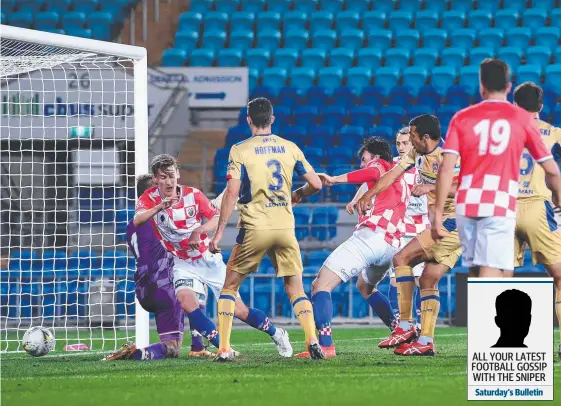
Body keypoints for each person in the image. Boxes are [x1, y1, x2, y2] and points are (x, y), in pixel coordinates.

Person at [134, 154, 292, 358]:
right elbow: (138, 220)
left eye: (172, 175)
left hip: (207, 259)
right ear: (155, 179)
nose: (169, 181)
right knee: (185, 301)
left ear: (178, 174)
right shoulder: (149, 198)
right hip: (183, 262)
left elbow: (215, 218)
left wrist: (198, 231)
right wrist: (158, 207)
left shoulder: (193, 195)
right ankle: (224, 348)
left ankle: (277, 333)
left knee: (240, 311)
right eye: (163, 177)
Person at [209, 97, 325, 361]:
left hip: (255, 227)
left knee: (229, 288)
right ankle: (311, 339)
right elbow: (316, 184)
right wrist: (299, 193)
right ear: (272, 119)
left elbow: (232, 192)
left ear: (248, 119)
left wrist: (218, 232)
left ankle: (224, 347)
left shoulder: (240, 150)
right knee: (296, 288)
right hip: (285, 226)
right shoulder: (290, 147)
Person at [433, 59, 561, 279]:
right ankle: (494, 313)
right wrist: (558, 202)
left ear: (481, 86)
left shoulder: (461, 118)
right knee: (494, 272)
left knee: (478, 271)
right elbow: (551, 170)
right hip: (500, 201)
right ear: (508, 87)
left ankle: (488, 311)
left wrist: (437, 215)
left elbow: (445, 170)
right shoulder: (521, 119)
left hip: (466, 203)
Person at [356, 115, 460, 356]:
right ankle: (425, 341)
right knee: (427, 280)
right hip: (443, 224)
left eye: (412, 135)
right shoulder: (417, 154)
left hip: (455, 222)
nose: (408, 139)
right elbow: (391, 175)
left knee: (401, 259)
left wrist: (431, 187)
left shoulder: (449, 157)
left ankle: (404, 325)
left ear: (424, 137)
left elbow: (465, 188)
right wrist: (369, 194)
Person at [296, 137, 408, 358]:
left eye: (364, 158)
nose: (362, 164)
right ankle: (399, 332)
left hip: (372, 238)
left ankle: (325, 345)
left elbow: (373, 172)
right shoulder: (398, 175)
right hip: (391, 245)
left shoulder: (382, 166)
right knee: (365, 287)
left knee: (320, 285)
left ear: (375, 156)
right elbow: (372, 181)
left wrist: (334, 179)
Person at [103, 174, 211, 361]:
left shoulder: (131, 225)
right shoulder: (163, 220)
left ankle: (150, 351)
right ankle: (196, 347)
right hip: (165, 287)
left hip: (143, 289)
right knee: (172, 349)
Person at [512, 82, 561, 359]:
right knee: (560, 277)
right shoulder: (553, 132)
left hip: (503, 210)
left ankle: (488, 343)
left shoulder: (502, 134)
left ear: (514, 105)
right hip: (538, 209)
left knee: (496, 277)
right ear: (541, 106)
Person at [387, 127, 431, 332]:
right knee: (396, 279)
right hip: (398, 229)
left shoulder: (428, 164)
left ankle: (422, 326)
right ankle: (402, 327)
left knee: (420, 279)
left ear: (414, 144)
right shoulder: (393, 166)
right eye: (398, 143)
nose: (401, 147)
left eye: (405, 143)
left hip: (422, 229)